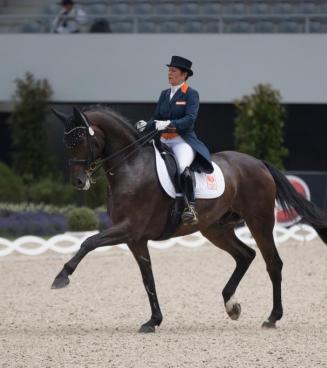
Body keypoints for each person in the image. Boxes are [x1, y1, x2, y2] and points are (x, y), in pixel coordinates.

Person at [136, 56, 214, 226]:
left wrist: (170, 123)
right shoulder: (164, 94)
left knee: (181, 167)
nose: (169, 73)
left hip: (181, 141)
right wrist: (146, 124)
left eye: (173, 70)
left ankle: (189, 207)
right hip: (163, 139)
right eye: (169, 70)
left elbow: (189, 120)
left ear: (184, 74)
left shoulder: (191, 94)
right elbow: (156, 117)